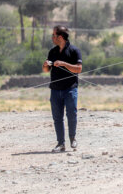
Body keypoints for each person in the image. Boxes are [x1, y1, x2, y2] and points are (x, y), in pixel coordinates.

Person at [42, 25, 83, 153]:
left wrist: (64, 64)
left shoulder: (74, 51)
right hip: (55, 89)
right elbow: (46, 70)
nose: (52, 38)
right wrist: (45, 65)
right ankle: (61, 143)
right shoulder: (52, 52)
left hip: (70, 89)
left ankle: (72, 138)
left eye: (53, 35)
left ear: (60, 37)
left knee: (72, 114)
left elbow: (79, 69)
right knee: (57, 117)